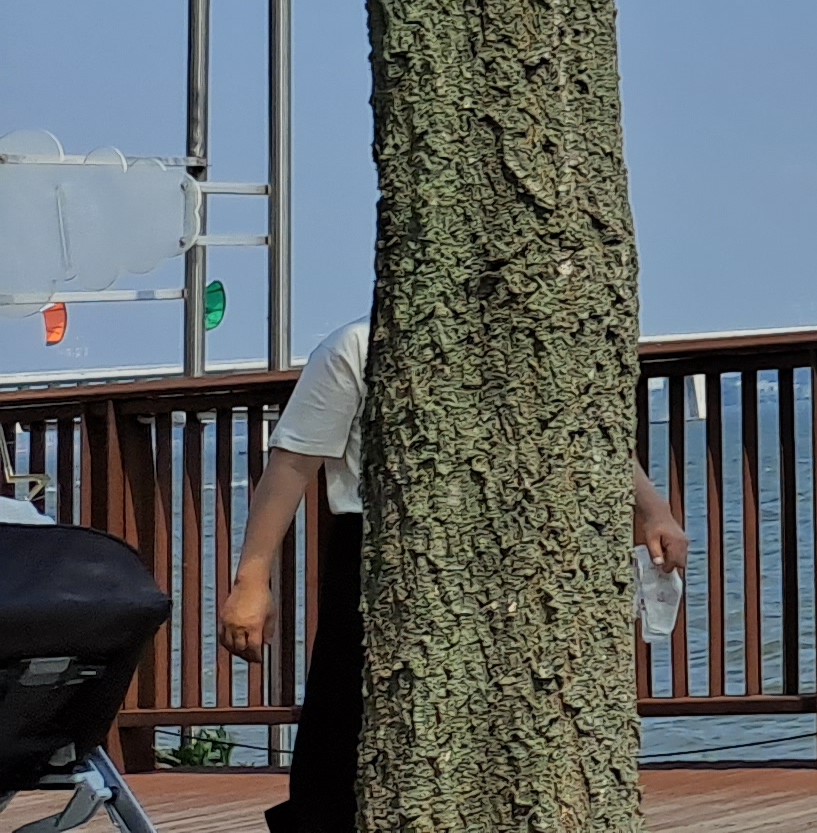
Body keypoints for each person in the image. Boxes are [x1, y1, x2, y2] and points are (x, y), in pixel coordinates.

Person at [212, 321, 691, 833]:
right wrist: (251, 580)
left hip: (515, 551)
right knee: (347, 732)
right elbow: (292, 461)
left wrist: (653, 509)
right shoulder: (357, 345)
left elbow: (590, 430)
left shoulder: (537, 333)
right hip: (382, 551)